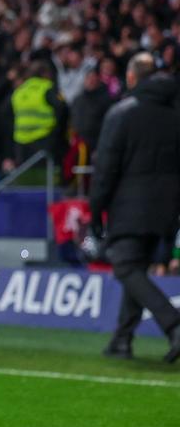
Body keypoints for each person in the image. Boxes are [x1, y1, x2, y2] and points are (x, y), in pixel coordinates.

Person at [89, 53, 180, 363]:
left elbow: (105, 169)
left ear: (132, 77)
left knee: (125, 267)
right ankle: (122, 339)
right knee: (136, 268)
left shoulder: (123, 112)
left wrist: (95, 211)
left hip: (130, 206)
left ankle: (174, 325)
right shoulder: (174, 115)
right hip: (167, 208)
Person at [9, 60, 68, 165]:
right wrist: (57, 133)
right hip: (44, 141)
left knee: (27, 179)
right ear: (45, 73)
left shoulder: (19, 91)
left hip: (21, 144)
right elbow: (62, 109)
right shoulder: (47, 88)